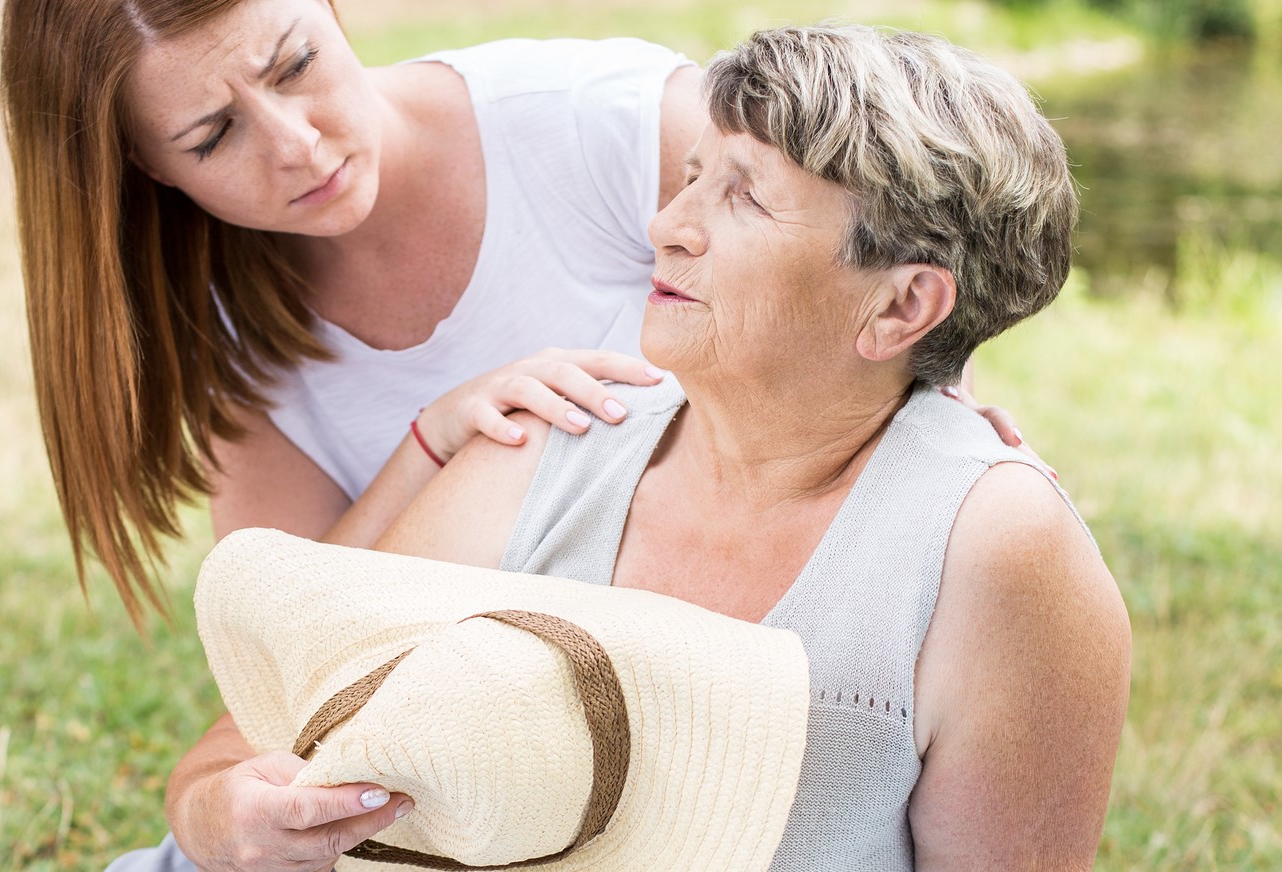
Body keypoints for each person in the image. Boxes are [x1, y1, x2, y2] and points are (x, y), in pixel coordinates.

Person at [0, 0, 1036, 866]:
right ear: (144, 171)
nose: (297, 143)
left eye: (298, 63)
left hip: (673, 731)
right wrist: (430, 444)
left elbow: (878, 229)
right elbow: (285, 665)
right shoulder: (218, 326)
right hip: (478, 763)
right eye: (213, 137)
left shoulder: (596, 127)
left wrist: (941, 435)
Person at [374, 24, 1133, 870]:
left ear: (900, 307)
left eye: (744, 197)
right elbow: (304, 720)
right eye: (691, 177)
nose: (667, 226)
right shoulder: (549, 438)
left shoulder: (995, 550)